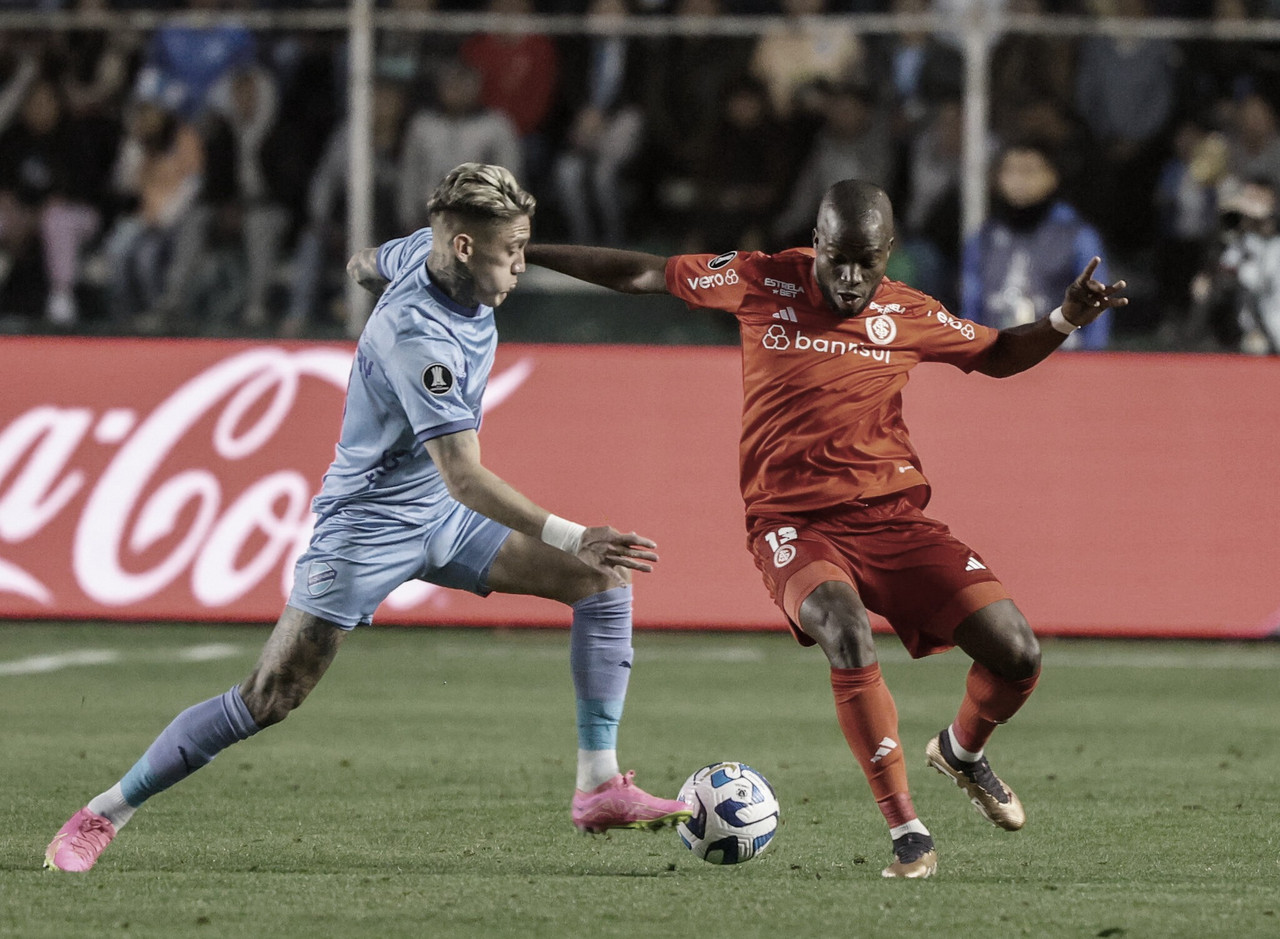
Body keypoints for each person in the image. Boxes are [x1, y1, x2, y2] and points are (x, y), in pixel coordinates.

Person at [45, 163, 690, 873]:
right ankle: (101, 813)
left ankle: (598, 785)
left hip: (438, 513)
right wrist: (575, 532)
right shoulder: (422, 341)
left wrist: (371, 277)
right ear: (468, 250)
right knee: (270, 695)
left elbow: (364, 261)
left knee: (599, 584)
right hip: (368, 527)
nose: (522, 265)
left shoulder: (423, 249)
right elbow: (466, 477)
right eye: (512, 251)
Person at [525, 179, 1127, 879]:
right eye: (834, 257)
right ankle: (907, 830)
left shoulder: (907, 309)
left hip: (893, 518)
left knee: (1018, 654)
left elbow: (994, 353)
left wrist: (1061, 320)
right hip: (792, 523)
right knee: (844, 629)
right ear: (814, 242)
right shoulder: (758, 279)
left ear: (887, 255)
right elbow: (640, 272)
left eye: (863, 261)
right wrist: (527, 250)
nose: (847, 277)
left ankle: (960, 751)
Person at [962, 141, 1111, 350]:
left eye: (1028, 171)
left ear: (1052, 177)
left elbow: (1097, 311)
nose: (1018, 181)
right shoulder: (984, 237)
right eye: (1010, 171)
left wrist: (1094, 362)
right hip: (996, 360)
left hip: (1063, 358)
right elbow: (970, 308)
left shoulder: (1077, 236)